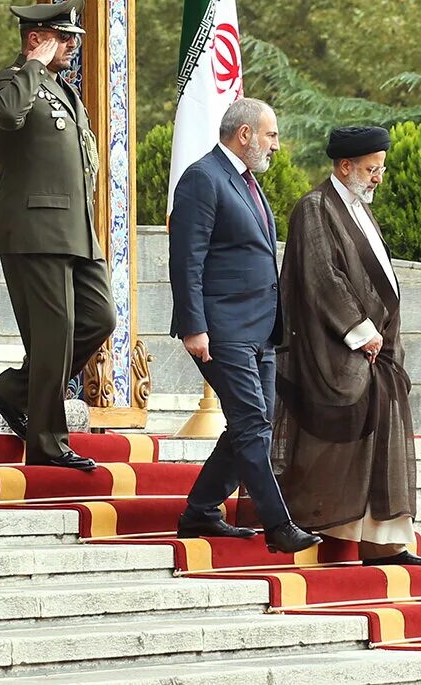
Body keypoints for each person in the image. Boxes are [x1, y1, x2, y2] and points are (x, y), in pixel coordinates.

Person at [271, 126, 421, 567]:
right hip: (340, 350)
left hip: (376, 352)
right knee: (335, 444)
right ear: (345, 166)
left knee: (382, 446)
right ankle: (321, 524)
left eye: (380, 168)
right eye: (371, 169)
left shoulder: (358, 208)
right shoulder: (315, 206)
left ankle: (384, 542)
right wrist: (361, 331)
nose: (379, 177)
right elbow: (321, 276)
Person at [168, 98, 322, 554]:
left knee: (253, 423)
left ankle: (200, 512)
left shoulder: (247, 182)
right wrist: (194, 326)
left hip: (260, 330)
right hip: (221, 330)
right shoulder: (203, 178)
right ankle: (279, 525)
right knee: (252, 422)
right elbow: (186, 259)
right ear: (245, 135)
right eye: (271, 135)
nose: (277, 144)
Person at [0, 0, 116, 470]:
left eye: (75, 38)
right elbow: (8, 116)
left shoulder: (63, 91)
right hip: (36, 230)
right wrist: (32, 66)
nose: (74, 46)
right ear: (37, 39)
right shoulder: (12, 82)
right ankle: (47, 443)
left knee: (101, 319)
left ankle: (13, 392)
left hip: (76, 232)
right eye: (64, 38)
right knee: (53, 338)